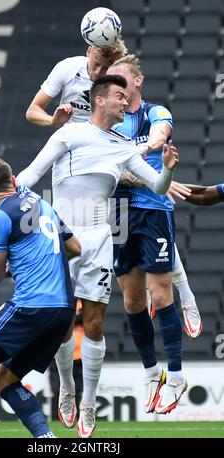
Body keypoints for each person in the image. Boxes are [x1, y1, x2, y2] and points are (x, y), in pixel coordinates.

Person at [17, 74, 179, 437]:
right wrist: (4, 198)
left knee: (93, 323)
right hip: (60, 238)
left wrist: (166, 169)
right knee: (59, 322)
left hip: (99, 239)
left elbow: (156, 187)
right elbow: (33, 173)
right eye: (121, 97)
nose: (127, 102)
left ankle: (89, 402)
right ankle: (67, 389)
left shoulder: (122, 145)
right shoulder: (68, 134)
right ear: (100, 100)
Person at [0, 158, 81, 439]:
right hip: (63, 310)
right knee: (5, 378)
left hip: (32, 305)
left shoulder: (0, 218)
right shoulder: (43, 204)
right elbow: (75, 247)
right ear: (13, 180)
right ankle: (45, 439)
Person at [106, 55, 189, 414]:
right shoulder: (109, 122)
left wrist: (144, 150)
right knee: (132, 301)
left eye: (123, 78)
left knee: (161, 292)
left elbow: (160, 134)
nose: (119, 86)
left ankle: (176, 375)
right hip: (117, 212)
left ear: (138, 80)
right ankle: (150, 372)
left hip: (153, 210)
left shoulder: (154, 113)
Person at [25, 39, 127, 127]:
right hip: (69, 135)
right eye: (96, 64)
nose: (98, 72)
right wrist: (52, 120)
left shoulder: (120, 80)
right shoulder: (67, 67)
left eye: (106, 68)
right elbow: (32, 110)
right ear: (88, 51)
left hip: (104, 138)